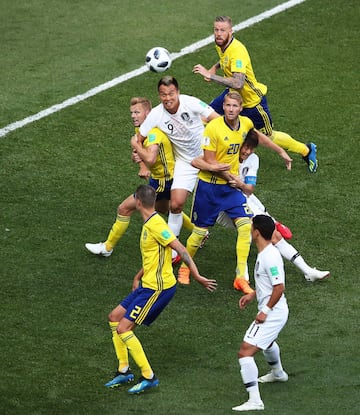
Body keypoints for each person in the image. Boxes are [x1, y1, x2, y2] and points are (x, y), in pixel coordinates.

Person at [104, 184, 217, 394]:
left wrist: (197, 275)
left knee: (124, 329)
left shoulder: (156, 225)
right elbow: (154, 256)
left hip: (158, 288)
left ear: (138, 202)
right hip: (147, 284)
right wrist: (137, 276)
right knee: (114, 318)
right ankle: (124, 370)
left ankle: (149, 376)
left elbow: (181, 249)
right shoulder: (150, 223)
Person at [177, 91, 292, 292]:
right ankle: (185, 269)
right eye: (227, 105)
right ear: (224, 107)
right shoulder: (213, 128)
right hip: (209, 188)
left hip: (229, 189)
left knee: (246, 226)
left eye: (234, 106)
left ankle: (240, 278)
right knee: (198, 234)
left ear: (240, 109)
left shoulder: (246, 124)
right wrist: (234, 179)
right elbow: (211, 163)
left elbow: (260, 137)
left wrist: (280, 151)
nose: (230, 109)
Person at [195, 130, 330, 284]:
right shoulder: (223, 153)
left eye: (251, 148)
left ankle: (307, 271)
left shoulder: (253, 160)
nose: (247, 151)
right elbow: (196, 161)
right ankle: (242, 275)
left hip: (244, 201)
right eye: (245, 147)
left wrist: (240, 184)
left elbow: (249, 190)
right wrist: (217, 170)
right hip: (221, 207)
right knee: (255, 232)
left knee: (272, 235)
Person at [192, 15, 318, 173]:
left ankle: (306, 150)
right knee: (205, 117)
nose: (218, 33)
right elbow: (224, 59)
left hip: (252, 102)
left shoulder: (238, 51)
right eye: (216, 30)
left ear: (231, 32)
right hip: (233, 96)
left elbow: (238, 82)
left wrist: (210, 76)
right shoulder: (221, 43)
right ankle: (203, 153)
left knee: (268, 136)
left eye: (223, 30)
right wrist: (214, 67)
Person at [85, 97, 193, 258]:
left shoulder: (154, 133)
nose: (133, 116)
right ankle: (199, 232)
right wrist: (140, 162)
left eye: (137, 112)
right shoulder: (142, 130)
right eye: (131, 113)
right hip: (161, 177)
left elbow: (149, 157)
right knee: (165, 208)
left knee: (124, 208)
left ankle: (107, 247)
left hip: (163, 179)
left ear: (148, 113)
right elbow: (139, 154)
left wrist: (139, 154)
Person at [135, 75, 219, 262]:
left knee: (233, 196)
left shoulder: (191, 102)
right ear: (159, 95)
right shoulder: (156, 115)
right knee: (175, 204)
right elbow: (137, 140)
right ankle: (173, 251)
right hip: (186, 162)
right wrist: (141, 162)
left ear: (178, 92)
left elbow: (217, 121)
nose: (168, 98)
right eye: (163, 94)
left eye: (171, 93)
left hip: (208, 156)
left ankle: (267, 220)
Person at [232, 214, 289, 412]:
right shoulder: (265, 253)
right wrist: (254, 295)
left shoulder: (270, 257)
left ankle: (255, 401)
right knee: (267, 342)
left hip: (273, 313)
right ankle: (278, 373)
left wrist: (264, 311)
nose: (249, 229)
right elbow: (270, 284)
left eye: (251, 226)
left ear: (256, 232)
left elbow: (279, 287)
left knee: (245, 352)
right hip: (275, 310)